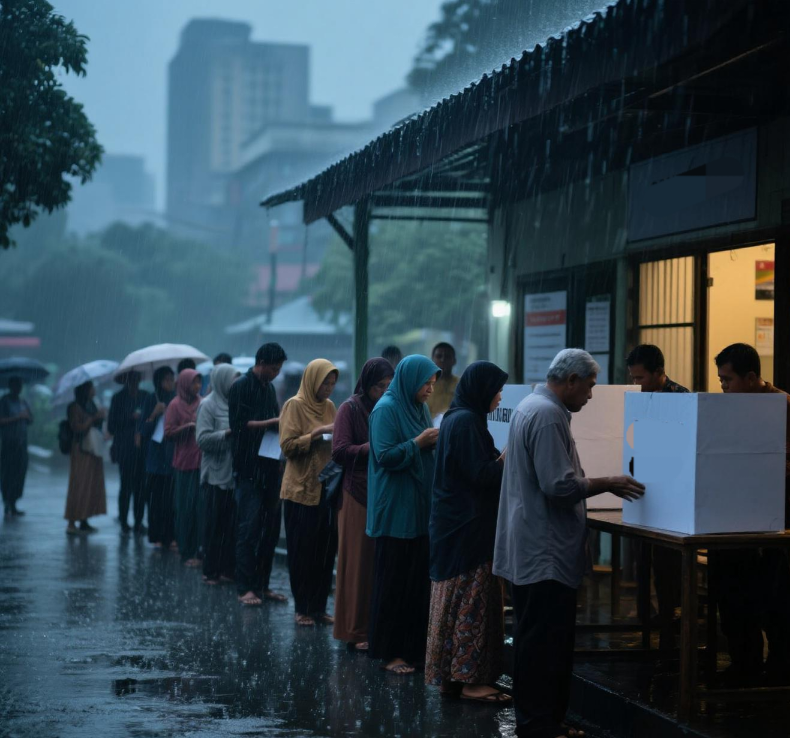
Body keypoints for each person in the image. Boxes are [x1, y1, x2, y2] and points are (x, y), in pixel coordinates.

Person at [494, 349, 644, 738]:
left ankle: (539, 720)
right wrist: (608, 482)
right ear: (571, 380)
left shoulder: (534, 406)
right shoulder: (545, 416)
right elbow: (559, 486)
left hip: (532, 546)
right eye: (590, 387)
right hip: (543, 551)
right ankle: (541, 724)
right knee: (545, 644)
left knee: (536, 640)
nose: (591, 396)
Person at [426, 361, 511, 703]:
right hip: (468, 528)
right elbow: (481, 475)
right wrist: (509, 457)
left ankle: (452, 678)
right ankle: (472, 680)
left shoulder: (456, 418)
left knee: (455, 602)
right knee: (472, 602)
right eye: (496, 389)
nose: (500, 396)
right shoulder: (466, 422)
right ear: (482, 390)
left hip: (454, 527)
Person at [713, 342, 790, 681]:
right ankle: (743, 663)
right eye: (720, 381)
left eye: (727, 380)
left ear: (752, 377)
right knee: (729, 594)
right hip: (731, 516)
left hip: (775, 520)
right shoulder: (728, 409)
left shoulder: (783, 406)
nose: (723, 388)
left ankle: (778, 666)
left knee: (772, 597)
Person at [367, 354, 440, 675]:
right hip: (395, 508)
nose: (430, 389)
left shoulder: (419, 408)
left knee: (415, 584)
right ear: (411, 380)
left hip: (418, 506)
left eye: (433, 383)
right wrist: (418, 442)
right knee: (392, 583)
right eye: (426, 382)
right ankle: (389, 652)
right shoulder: (385, 409)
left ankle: (413, 649)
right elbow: (384, 456)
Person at [626, 343, 689, 649]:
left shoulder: (680, 398)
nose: (636, 385)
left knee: (667, 565)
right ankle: (648, 618)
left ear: (659, 372)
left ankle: (669, 619)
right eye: (633, 379)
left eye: (640, 378)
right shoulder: (640, 398)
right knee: (643, 561)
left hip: (672, 493)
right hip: (643, 487)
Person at [332, 357, 394, 651]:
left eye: (389, 386)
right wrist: (374, 448)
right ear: (367, 385)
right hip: (356, 491)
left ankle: (372, 626)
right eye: (380, 387)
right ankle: (354, 630)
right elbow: (340, 451)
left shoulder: (389, 408)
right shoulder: (350, 408)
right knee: (356, 563)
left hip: (380, 491)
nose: (384, 391)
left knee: (375, 564)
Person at [279, 358, 339, 626]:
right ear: (312, 380)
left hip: (326, 488)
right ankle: (302, 607)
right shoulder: (294, 405)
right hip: (300, 490)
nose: (328, 388)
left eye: (332, 383)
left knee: (324, 552)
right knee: (301, 551)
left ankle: (318, 606)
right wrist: (317, 434)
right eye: (324, 382)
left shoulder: (330, 407)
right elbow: (287, 446)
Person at [229, 342, 288, 606]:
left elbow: (274, 424)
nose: (275, 373)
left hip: (269, 466)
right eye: (273, 368)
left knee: (270, 531)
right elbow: (238, 426)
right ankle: (245, 587)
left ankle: (263, 585)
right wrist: (270, 423)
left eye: (278, 370)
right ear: (261, 362)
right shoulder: (241, 386)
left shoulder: (270, 388)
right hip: (247, 468)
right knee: (249, 529)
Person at [197, 363, 239, 585]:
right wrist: (227, 434)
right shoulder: (208, 405)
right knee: (214, 525)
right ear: (222, 380)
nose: (235, 384)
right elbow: (202, 440)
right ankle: (210, 569)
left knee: (230, 526)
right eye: (232, 380)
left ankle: (227, 568)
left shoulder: (235, 403)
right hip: (214, 475)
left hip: (233, 473)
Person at [165, 368, 203, 567]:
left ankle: (196, 550)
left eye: (199, 382)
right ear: (185, 383)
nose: (197, 386)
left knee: (198, 508)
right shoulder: (174, 405)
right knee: (184, 508)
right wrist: (187, 427)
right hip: (183, 463)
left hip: (200, 461)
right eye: (194, 382)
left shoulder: (201, 402)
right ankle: (186, 550)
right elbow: (168, 433)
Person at [138, 367, 177, 550]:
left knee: (170, 501)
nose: (170, 383)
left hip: (172, 456)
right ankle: (157, 537)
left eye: (172, 379)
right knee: (155, 501)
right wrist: (154, 413)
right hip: (155, 458)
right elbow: (143, 431)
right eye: (166, 379)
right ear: (159, 381)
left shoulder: (177, 400)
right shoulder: (151, 399)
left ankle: (171, 536)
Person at [108, 371, 150, 535]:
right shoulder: (118, 399)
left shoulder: (146, 396)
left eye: (136, 379)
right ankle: (124, 521)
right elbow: (111, 426)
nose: (134, 383)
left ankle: (139, 521)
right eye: (131, 380)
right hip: (125, 449)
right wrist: (129, 418)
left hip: (142, 449)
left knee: (140, 487)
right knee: (125, 486)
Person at [64, 381, 108, 534]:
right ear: (85, 390)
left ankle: (84, 519)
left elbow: (97, 424)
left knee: (90, 485)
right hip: (81, 450)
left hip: (93, 450)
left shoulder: (91, 404)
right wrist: (94, 417)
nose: (94, 390)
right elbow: (77, 427)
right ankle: (71, 521)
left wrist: (100, 416)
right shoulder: (74, 407)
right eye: (91, 387)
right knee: (79, 485)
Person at [0, 377, 32, 517]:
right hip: (9, 443)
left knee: (20, 472)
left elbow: (30, 419)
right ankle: (7, 500)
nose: (19, 387)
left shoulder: (22, 401)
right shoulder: (4, 401)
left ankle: (14, 502)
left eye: (20, 385)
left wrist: (26, 417)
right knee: (8, 472)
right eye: (16, 385)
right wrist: (17, 417)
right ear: (11, 385)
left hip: (21, 442)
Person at [427, 342, 459, 419]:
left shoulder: (460, 385)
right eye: (439, 356)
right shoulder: (424, 384)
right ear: (432, 359)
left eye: (447, 357)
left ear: (454, 361)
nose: (442, 360)